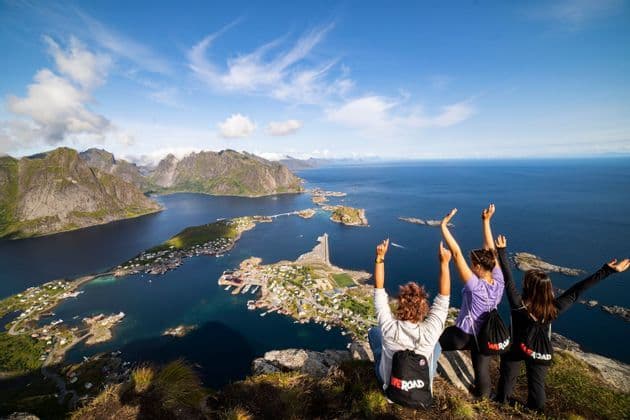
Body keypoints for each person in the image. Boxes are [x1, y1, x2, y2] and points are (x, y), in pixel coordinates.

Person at [494, 234, 629, 411]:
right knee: (537, 387)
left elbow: (508, 279)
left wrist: (502, 251)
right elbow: (576, 291)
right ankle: (536, 413)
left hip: (517, 348)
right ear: (547, 289)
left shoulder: (519, 307)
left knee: (507, 378)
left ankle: (500, 405)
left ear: (528, 287)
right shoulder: (553, 309)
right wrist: (606, 271)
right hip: (539, 352)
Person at [368, 238, 451, 396]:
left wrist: (380, 258)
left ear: (400, 305)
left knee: (373, 332)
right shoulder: (430, 331)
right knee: (437, 346)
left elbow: (378, 290)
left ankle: (384, 374)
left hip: (389, 385)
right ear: (424, 308)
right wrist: (445, 263)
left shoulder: (389, 327)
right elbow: (444, 298)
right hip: (419, 386)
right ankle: (427, 378)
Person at [438, 205, 505, 398]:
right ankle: (484, 398)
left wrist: (443, 226)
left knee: (432, 342)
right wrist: (486, 221)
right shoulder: (498, 279)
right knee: (482, 371)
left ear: (476, 267)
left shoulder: (475, 286)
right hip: (484, 335)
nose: (470, 264)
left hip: (463, 335)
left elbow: (456, 253)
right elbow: (491, 251)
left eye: (472, 262)